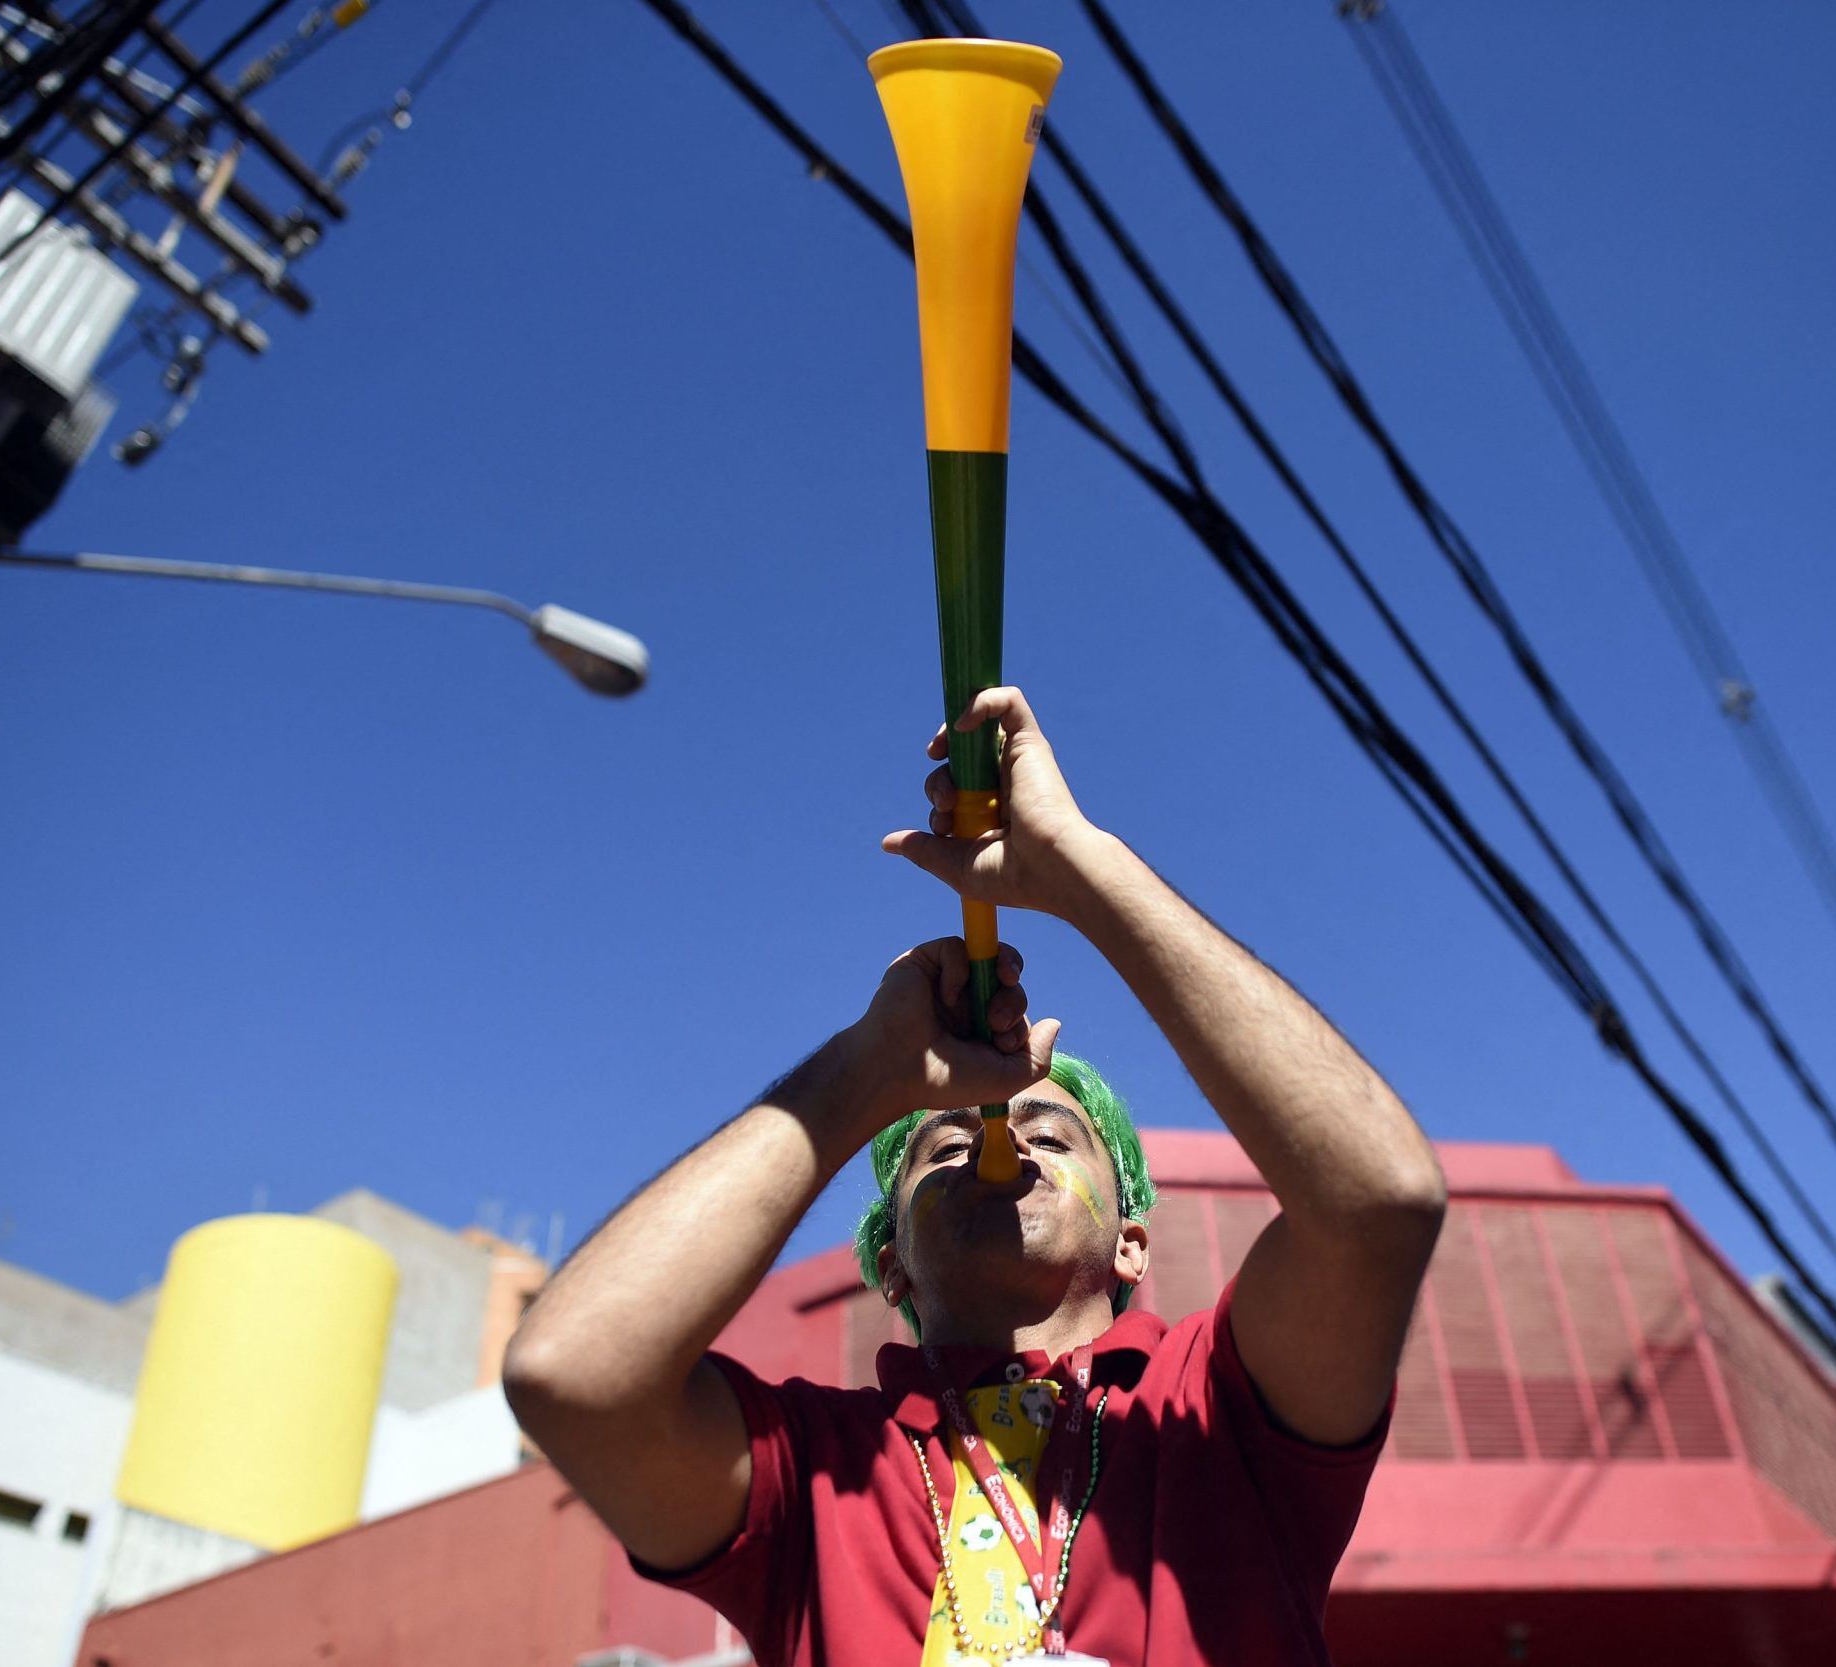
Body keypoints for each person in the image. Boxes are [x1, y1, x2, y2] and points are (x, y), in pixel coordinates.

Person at [504, 687, 1448, 1667]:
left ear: (1132, 1236)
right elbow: (571, 1373)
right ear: (894, 1267)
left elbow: (1379, 1201)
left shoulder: (1216, 1405)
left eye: (1056, 1131)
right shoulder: (814, 1469)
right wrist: (869, 1068)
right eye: (938, 1146)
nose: (998, 1133)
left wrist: (1085, 870)